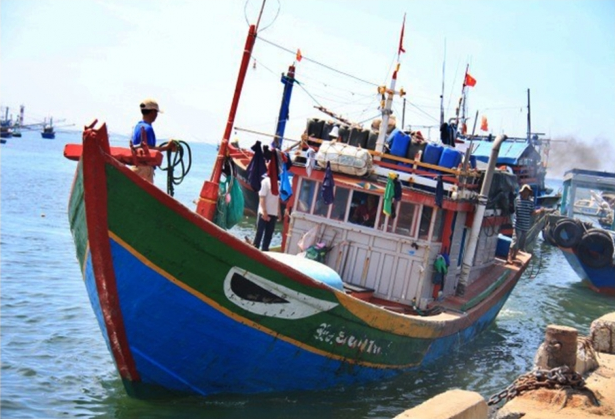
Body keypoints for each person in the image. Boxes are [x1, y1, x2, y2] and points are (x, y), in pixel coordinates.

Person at [130, 98, 175, 183]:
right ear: (153, 112)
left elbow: (145, 146)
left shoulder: (137, 126)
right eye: (156, 112)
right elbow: (150, 149)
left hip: (136, 165)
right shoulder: (148, 128)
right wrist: (167, 147)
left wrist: (166, 147)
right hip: (145, 168)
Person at [507, 184, 543, 264]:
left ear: (529, 193)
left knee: (521, 242)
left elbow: (532, 212)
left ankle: (514, 256)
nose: (525, 193)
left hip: (525, 225)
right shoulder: (517, 200)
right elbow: (514, 210)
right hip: (517, 224)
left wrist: (540, 211)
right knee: (515, 240)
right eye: (524, 192)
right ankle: (509, 257)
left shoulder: (530, 202)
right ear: (521, 192)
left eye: (527, 192)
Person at [253, 175, 280, 251]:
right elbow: (262, 197)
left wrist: (278, 212)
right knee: (259, 233)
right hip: (263, 212)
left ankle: (265, 250)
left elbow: (277, 199)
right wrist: (264, 211)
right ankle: (255, 249)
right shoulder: (265, 182)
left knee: (269, 234)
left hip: (273, 213)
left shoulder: (277, 183)